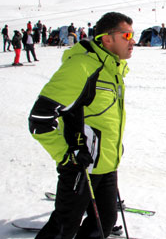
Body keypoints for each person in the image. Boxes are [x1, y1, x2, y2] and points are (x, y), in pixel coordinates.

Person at [28, 12, 135, 239]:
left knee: (104, 222)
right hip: (80, 166)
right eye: (127, 35)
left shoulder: (113, 69)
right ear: (107, 39)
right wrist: (68, 157)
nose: (132, 41)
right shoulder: (82, 67)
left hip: (106, 163)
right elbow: (40, 118)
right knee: (64, 227)